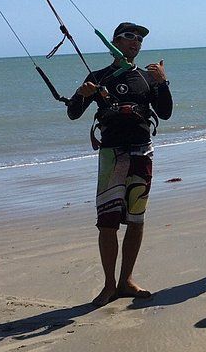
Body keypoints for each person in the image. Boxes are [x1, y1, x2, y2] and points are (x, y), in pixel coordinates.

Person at [67, 21, 172, 306]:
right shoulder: (99, 76)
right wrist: (81, 94)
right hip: (111, 155)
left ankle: (126, 280)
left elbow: (165, 112)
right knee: (107, 222)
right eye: (129, 37)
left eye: (139, 39)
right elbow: (73, 113)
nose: (135, 42)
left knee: (136, 220)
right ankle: (109, 285)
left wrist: (163, 82)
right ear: (114, 42)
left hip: (142, 151)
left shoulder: (148, 77)